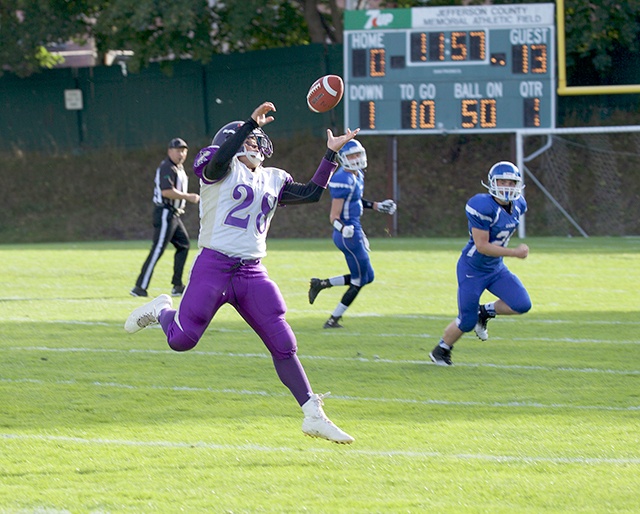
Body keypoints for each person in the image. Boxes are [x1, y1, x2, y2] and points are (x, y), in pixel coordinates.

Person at [125, 102, 359, 444]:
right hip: (214, 266)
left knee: (284, 344)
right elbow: (221, 159)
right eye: (248, 141)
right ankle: (161, 309)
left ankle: (313, 415)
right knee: (181, 341)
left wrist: (329, 154)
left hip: (251, 271)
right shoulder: (216, 166)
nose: (254, 144)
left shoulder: (273, 177)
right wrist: (249, 124)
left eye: (255, 140)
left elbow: (310, 194)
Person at [429, 161, 532, 366]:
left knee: (521, 304)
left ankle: (483, 312)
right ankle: (441, 350)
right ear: (492, 183)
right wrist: (514, 252)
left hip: (495, 268)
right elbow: (482, 246)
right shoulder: (482, 206)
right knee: (466, 321)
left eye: (511, 183)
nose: (506, 187)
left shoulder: (519, 205)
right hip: (473, 269)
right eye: (502, 181)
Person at [307, 140, 396, 328]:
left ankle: (321, 284)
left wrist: (376, 206)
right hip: (347, 235)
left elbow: (355, 200)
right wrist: (344, 229)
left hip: (354, 230)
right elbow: (333, 216)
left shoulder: (357, 175)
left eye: (357, 154)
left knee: (367, 277)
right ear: (343, 159)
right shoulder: (342, 179)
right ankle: (333, 320)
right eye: (351, 156)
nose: (356, 159)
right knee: (360, 279)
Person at [130, 138, 200, 298]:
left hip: (174, 214)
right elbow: (166, 191)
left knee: (184, 245)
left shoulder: (179, 168)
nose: (181, 154)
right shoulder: (167, 167)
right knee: (158, 249)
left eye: (183, 150)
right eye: (178, 150)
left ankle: (177, 285)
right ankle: (139, 287)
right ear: (170, 151)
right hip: (165, 213)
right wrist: (188, 197)